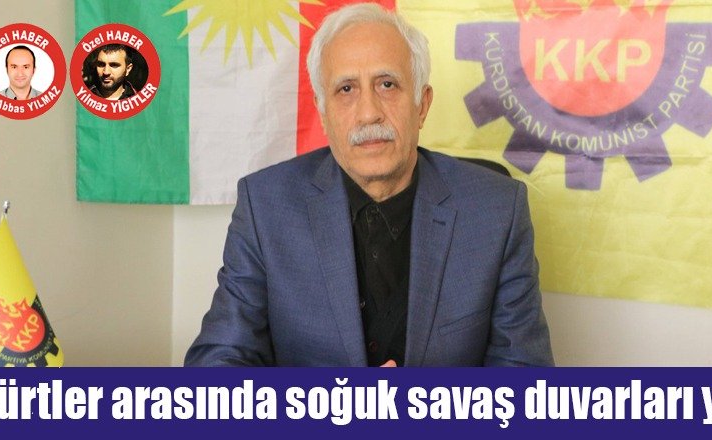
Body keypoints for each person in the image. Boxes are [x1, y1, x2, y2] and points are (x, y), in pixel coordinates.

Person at [185, 3, 554, 367]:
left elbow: (526, 377)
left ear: (422, 105)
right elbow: (215, 366)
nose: (368, 113)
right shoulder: (265, 208)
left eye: (387, 84)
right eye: (346, 89)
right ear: (323, 113)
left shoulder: (498, 211)